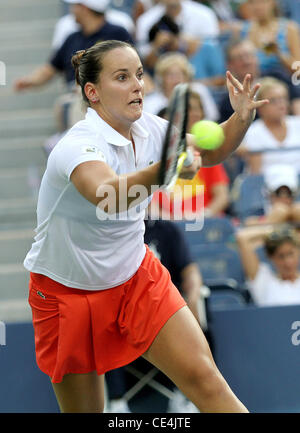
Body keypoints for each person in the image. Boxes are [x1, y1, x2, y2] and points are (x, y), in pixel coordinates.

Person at [24, 39, 267, 413]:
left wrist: (240, 119)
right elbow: (106, 194)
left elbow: (211, 152)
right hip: (65, 293)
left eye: (139, 74)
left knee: (206, 379)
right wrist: (165, 167)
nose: (137, 85)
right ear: (93, 92)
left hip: (135, 278)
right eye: (122, 77)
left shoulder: (152, 130)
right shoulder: (76, 146)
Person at [14, 0, 134, 92]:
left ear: (84, 8)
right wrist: (28, 81)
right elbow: (50, 69)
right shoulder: (72, 38)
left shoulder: (117, 33)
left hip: (110, 93)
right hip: (76, 95)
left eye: (75, 6)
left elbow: (132, 64)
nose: (72, 10)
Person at [152, 90, 229, 219]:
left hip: (206, 224)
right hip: (171, 227)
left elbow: (222, 196)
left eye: (197, 109)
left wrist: (201, 216)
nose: (194, 114)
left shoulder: (207, 153)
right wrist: (174, 223)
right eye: (188, 109)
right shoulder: (156, 152)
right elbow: (151, 206)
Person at [242, 76, 300, 176]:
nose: (281, 105)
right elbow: (256, 175)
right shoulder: (253, 132)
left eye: (284, 98)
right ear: (260, 106)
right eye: (273, 101)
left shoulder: (298, 124)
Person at [135, 0, 220, 66]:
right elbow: (143, 63)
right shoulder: (145, 20)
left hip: (199, 72)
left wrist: (188, 44)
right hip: (161, 76)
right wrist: (157, 46)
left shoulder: (205, 15)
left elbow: (214, 53)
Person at [236, 224, 300, 307]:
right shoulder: (263, 280)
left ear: (298, 252)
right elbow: (242, 237)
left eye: (290, 254)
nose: (287, 262)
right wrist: (274, 231)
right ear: (271, 257)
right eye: (281, 256)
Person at [143, 52, 219, 121]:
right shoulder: (150, 102)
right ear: (162, 79)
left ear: (187, 77)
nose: (176, 80)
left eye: (180, 74)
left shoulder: (199, 90)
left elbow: (212, 118)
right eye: (170, 75)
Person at [235, 0, 300, 78]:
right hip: (255, 83)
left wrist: (279, 54)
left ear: (272, 2)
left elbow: (298, 71)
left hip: (283, 82)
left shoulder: (289, 28)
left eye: (263, 1)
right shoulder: (242, 30)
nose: (257, 6)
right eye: (252, 2)